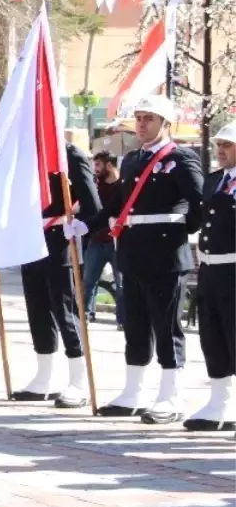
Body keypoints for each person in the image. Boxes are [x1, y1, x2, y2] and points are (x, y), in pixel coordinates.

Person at [98, 96, 203, 424]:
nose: (142, 124)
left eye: (150, 119)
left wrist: (176, 226)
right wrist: (89, 222)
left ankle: (170, 396)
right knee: (136, 324)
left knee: (166, 323)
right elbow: (118, 203)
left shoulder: (180, 158)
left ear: (165, 124)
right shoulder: (130, 160)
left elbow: (197, 202)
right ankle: (133, 392)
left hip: (164, 253)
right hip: (132, 250)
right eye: (139, 118)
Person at [9, 143, 101, 408]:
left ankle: (78, 379)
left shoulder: (69, 154)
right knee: (37, 309)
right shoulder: (25, 152)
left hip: (61, 242)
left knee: (66, 311)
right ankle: (44, 376)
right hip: (31, 241)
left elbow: (93, 205)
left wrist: (78, 224)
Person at [185, 122, 236, 432]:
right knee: (212, 336)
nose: (220, 150)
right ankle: (219, 402)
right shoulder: (214, 181)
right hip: (210, 269)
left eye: (227, 145)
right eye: (219, 144)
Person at [82, 151, 124, 327]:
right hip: (96, 240)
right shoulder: (95, 185)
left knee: (121, 282)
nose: (95, 169)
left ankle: (123, 319)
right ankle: (85, 315)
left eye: (98, 165)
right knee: (88, 280)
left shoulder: (123, 186)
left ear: (109, 165)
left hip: (117, 243)